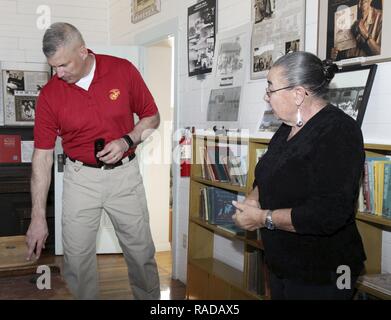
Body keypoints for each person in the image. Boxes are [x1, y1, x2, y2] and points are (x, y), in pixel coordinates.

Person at [25, 22, 161, 300]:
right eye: (53, 67)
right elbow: (42, 155)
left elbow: (152, 117)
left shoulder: (122, 70)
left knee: (141, 254)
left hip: (125, 177)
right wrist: (38, 215)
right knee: (76, 262)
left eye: (63, 65)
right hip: (80, 180)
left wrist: (128, 139)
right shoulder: (50, 94)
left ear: (83, 51)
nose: (58, 73)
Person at [232, 51, 366, 300]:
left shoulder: (339, 132)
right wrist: (252, 200)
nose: (266, 97)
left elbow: (330, 213)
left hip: (326, 270)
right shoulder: (286, 129)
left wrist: (263, 218)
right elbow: (266, 174)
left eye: (270, 89)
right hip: (282, 264)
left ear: (298, 94)